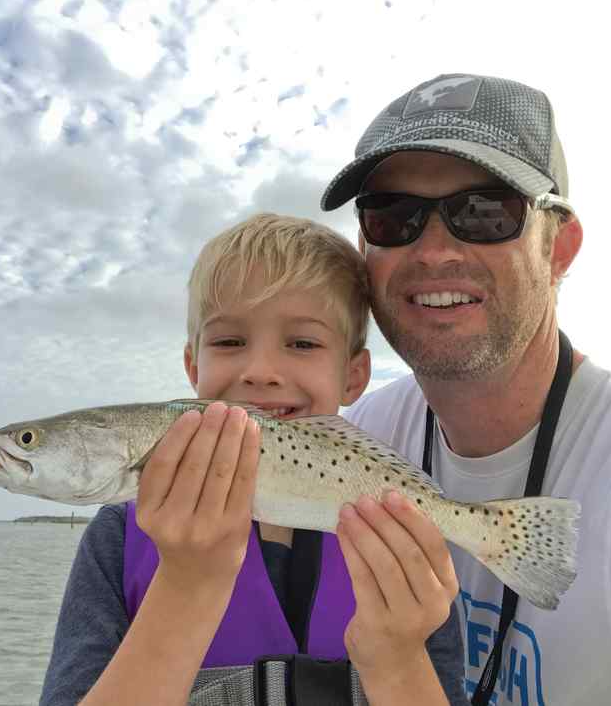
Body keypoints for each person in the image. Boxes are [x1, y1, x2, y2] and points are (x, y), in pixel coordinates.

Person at [40, 213, 468, 706]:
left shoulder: (406, 540)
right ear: (193, 366)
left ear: (354, 375)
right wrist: (186, 585)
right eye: (229, 342)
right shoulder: (116, 541)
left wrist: (397, 660)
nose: (261, 371)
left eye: (302, 343)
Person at [321, 72, 611, 706]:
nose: (432, 251)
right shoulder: (359, 435)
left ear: (558, 248)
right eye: (392, 216)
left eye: (484, 212)